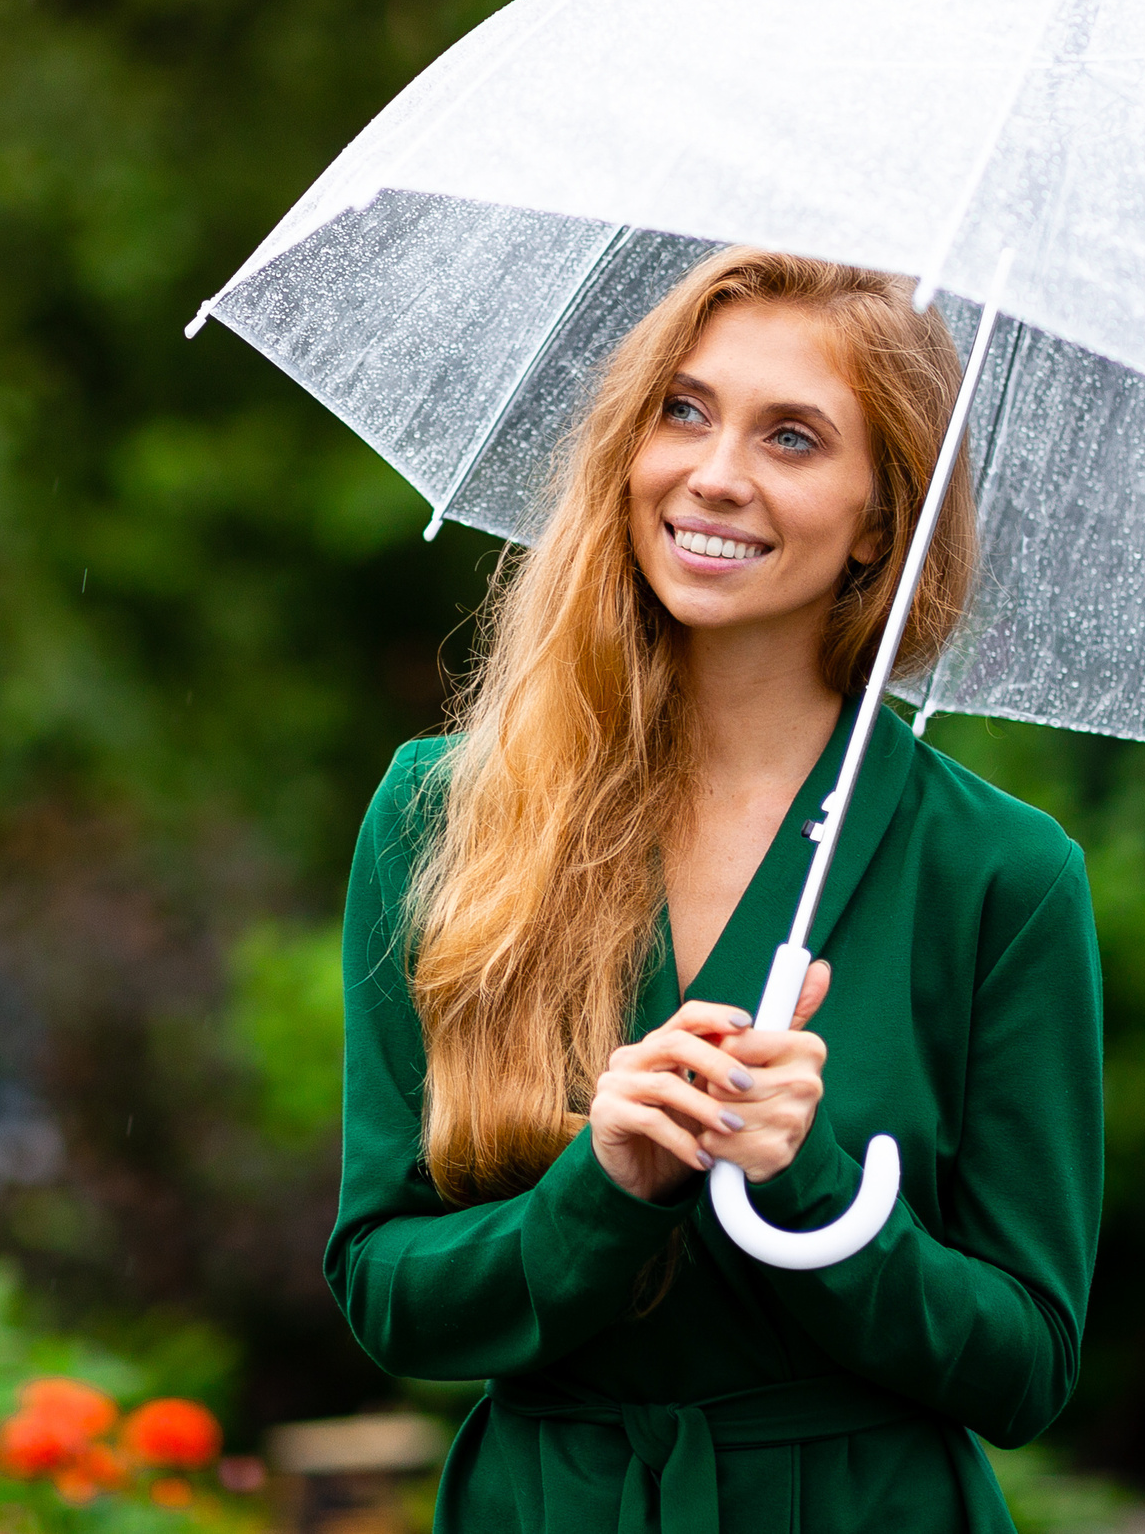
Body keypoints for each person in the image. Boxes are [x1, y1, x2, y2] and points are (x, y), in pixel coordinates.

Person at [327, 247, 1103, 1534]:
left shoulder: (1004, 879)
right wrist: (605, 1186)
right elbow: (386, 1291)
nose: (716, 473)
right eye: (682, 410)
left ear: (878, 521)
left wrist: (811, 1189)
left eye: (793, 437)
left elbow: (1024, 1366)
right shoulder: (445, 813)